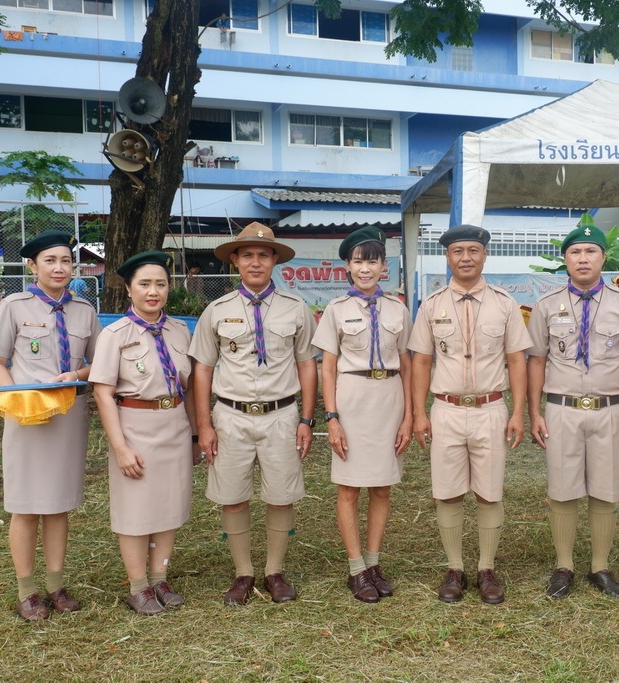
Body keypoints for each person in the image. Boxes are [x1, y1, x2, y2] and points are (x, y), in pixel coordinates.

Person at [189, 222, 318, 606]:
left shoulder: (296, 308)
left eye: (263, 254)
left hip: (281, 415)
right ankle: (243, 573)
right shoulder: (217, 310)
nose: (256, 262)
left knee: (280, 496)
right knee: (233, 496)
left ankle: (274, 571)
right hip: (231, 416)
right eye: (247, 255)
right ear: (235, 261)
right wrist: (204, 425)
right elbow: (203, 369)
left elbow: (307, 365)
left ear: (275, 260)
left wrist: (306, 419)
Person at [527, 223, 619, 600]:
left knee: (605, 489)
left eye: (591, 251)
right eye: (575, 252)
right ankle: (563, 566)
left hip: (609, 410)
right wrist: (534, 412)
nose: (583, 258)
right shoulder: (546, 305)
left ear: (603, 258)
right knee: (562, 488)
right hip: (562, 409)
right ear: (565, 259)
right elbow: (536, 361)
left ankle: (600, 566)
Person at [0, 229, 101, 621]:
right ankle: (27, 592)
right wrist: (15, 400)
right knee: (25, 506)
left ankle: (56, 586)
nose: (59, 268)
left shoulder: (84, 310)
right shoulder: (15, 307)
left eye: (66, 260)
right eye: (50, 261)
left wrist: (77, 374)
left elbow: (99, 362)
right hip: (27, 418)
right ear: (33, 266)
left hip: (68, 417)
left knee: (58, 505)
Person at [408, 224, 531, 605]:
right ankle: (455, 568)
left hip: (490, 409)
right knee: (448, 493)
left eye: (473, 250)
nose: (466, 258)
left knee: (489, 492)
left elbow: (517, 360)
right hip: (446, 409)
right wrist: (419, 413)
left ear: (485, 255)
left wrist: (519, 412)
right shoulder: (432, 305)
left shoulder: (505, 304)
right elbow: (421, 361)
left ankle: (487, 569)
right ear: (447, 257)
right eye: (458, 251)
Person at [89, 251, 202, 615]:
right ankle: (138, 586)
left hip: (175, 425)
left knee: (170, 505)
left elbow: (189, 389)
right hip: (135, 426)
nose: (153, 292)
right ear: (128, 289)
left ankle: (160, 578)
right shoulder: (114, 335)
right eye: (145, 284)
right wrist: (120, 447)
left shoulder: (179, 330)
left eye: (161, 284)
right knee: (136, 509)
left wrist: (195, 436)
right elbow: (103, 393)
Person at [311, 226, 413, 603]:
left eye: (373, 261)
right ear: (348, 267)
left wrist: (409, 416)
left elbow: (407, 363)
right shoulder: (336, 310)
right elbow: (327, 368)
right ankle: (356, 568)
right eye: (358, 261)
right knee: (350, 487)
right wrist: (332, 417)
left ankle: (373, 563)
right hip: (352, 400)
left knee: (383, 486)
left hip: (389, 399)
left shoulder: (398, 309)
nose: (366, 268)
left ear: (384, 266)